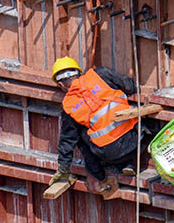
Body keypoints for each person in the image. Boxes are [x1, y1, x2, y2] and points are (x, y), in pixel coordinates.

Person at [49, 57, 152, 189]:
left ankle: (101, 175)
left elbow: (67, 142)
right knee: (137, 115)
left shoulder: (68, 106)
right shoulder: (101, 74)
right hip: (138, 140)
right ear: (79, 73)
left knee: (79, 135)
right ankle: (127, 164)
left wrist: (63, 169)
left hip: (111, 155)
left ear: (61, 85)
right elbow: (131, 87)